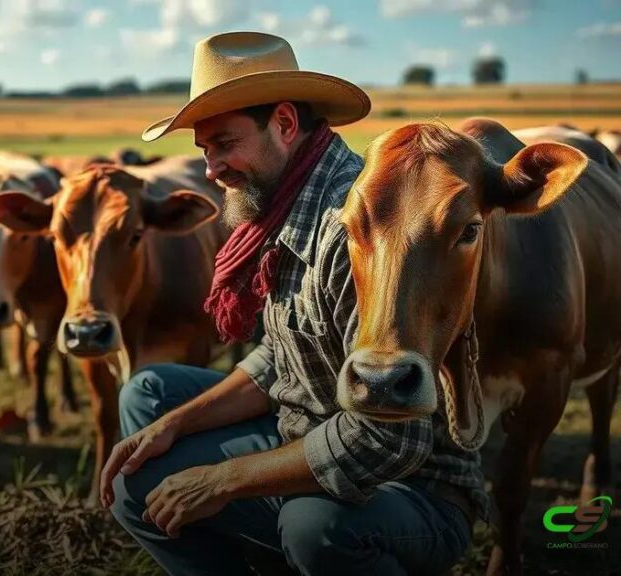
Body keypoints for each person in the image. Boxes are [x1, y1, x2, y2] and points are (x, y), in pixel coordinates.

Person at [103, 31, 487, 576]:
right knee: (149, 406)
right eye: (205, 150)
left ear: (284, 124)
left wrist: (223, 480)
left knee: (313, 527)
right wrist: (175, 425)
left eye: (224, 143)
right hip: (308, 427)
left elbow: (389, 439)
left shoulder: (356, 230)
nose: (211, 169)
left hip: (410, 486)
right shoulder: (286, 204)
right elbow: (282, 357)